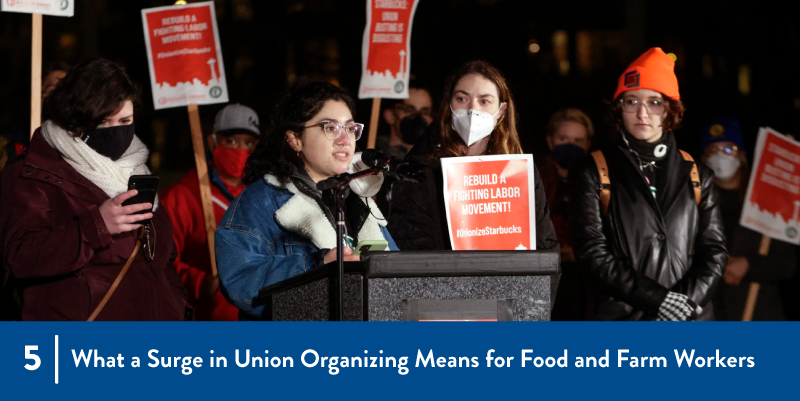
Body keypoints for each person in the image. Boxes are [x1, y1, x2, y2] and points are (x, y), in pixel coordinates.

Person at [0, 58, 187, 320]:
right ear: (75, 121)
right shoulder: (32, 173)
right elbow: (21, 257)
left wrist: (177, 307)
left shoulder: (134, 170)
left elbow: (162, 259)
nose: (116, 132)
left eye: (125, 121)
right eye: (104, 122)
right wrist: (96, 225)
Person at [216, 81, 398, 320]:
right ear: (295, 139)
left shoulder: (359, 200)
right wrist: (316, 265)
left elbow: (396, 274)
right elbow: (240, 282)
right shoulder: (262, 200)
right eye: (330, 128)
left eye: (350, 128)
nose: (345, 139)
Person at [569, 48, 727, 321]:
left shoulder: (697, 173)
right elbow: (592, 253)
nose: (642, 113)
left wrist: (682, 306)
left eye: (654, 102)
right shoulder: (594, 170)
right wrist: (658, 300)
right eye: (631, 101)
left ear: (670, 109)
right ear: (619, 107)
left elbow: (714, 252)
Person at [387, 60, 559, 294]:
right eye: (462, 98)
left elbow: (545, 250)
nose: (472, 109)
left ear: (500, 112)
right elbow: (410, 251)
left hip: (506, 307)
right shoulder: (418, 172)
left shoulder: (519, 174)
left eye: (484, 101)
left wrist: (531, 307)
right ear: (449, 105)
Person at [160, 104, 261, 321]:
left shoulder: (262, 195)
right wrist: (197, 282)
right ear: (212, 142)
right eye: (231, 141)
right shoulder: (183, 197)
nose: (241, 150)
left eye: (249, 143)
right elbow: (158, 260)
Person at [702, 117, 796, 320]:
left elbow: (788, 262)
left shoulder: (767, 204)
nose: (721, 156)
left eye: (728, 149)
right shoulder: (695, 205)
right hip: (712, 318)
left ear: (742, 155)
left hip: (760, 315)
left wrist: (749, 265)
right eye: (713, 150)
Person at [538, 108, 594, 320]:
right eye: (564, 138)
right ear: (551, 141)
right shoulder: (535, 179)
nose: (570, 145)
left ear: (587, 144)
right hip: (545, 277)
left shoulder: (597, 183)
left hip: (584, 281)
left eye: (577, 140)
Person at [377, 79, 434, 160]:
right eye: (409, 109)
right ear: (390, 115)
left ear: (431, 120)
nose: (417, 117)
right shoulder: (374, 157)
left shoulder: (434, 163)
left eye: (425, 111)